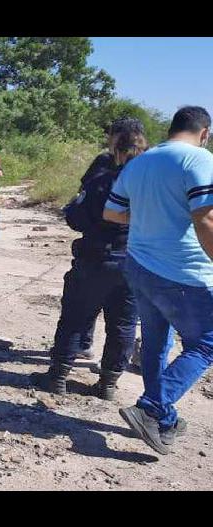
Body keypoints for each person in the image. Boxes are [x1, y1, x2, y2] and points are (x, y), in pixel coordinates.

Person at [103, 106, 213, 455]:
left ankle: (162, 418)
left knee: (155, 344)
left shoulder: (140, 162)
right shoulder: (198, 160)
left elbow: (112, 212)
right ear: (205, 132)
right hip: (183, 274)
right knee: (207, 343)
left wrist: (152, 216)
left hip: (139, 268)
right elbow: (205, 219)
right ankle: (151, 406)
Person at [32, 130, 147, 400]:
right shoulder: (152, 188)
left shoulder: (104, 182)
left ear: (117, 151)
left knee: (76, 317)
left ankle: (58, 377)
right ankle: (108, 384)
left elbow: (75, 217)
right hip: (135, 263)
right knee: (123, 325)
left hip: (96, 259)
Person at [73, 118, 148, 360]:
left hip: (102, 246)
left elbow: (82, 202)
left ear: (116, 137)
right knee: (123, 318)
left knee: (83, 305)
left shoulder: (107, 165)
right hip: (134, 253)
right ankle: (109, 376)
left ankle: (73, 358)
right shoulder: (149, 167)